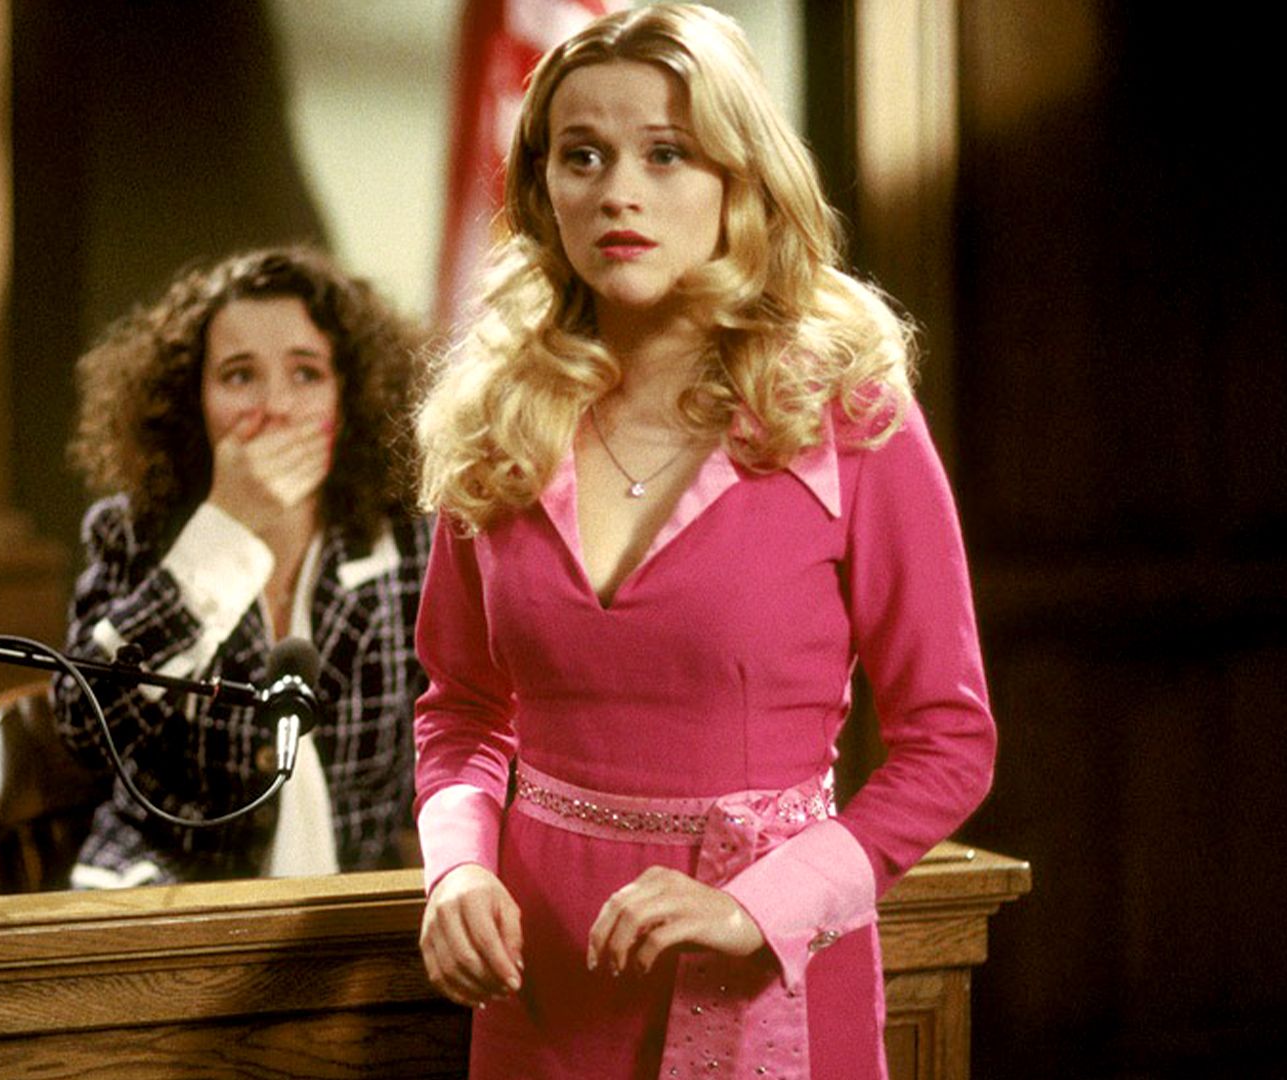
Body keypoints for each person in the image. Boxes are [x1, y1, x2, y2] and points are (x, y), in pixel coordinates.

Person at [410, 5, 996, 1077]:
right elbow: (460, 708)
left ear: (739, 177)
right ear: (543, 188)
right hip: (540, 980)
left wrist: (761, 907)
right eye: (582, 155)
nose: (617, 192)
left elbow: (949, 743)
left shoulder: (847, 412)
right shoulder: (497, 419)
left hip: (766, 972)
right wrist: (456, 868)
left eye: (666, 153)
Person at [54, 247, 431, 887]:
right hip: (162, 890)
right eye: (238, 376)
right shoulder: (133, 532)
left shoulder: (411, 541)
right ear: (193, 400)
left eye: (306, 373)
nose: (275, 406)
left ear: (349, 397)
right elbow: (82, 726)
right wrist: (223, 530)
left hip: (347, 900)